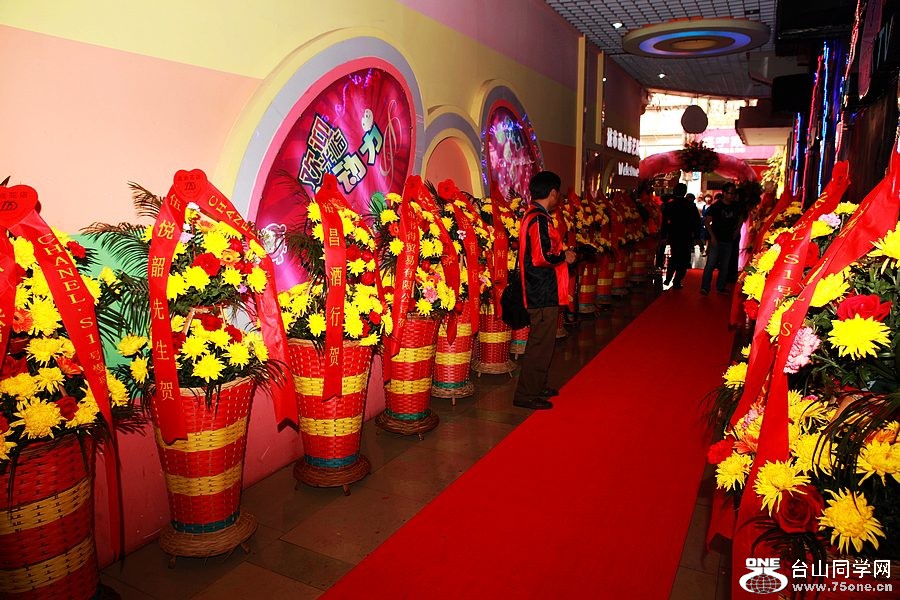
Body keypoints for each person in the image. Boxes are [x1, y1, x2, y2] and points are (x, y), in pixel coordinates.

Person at [512, 171, 576, 410]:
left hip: (542, 288)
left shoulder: (534, 215)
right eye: (558, 193)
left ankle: (538, 386)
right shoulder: (538, 218)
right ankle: (526, 394)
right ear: (552, 193)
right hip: (541, 290)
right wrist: (564, 256)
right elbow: (541, 257)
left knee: (545, 342)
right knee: (540, 343)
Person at [700, 182, 741, 295]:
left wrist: (736, 231)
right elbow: (707, 222)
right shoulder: (716, 206)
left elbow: (741, 218)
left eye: (733, 193)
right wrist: (712, 237)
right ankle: (705, 287)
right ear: (724, 193)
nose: (732, 196)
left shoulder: (736, 206)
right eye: (730, 193)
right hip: (717, 239)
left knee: (725, 265)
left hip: (728, 239)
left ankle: (721, 286)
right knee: (711, 264)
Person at [661, 183, 701, 289]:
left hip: (673, 234)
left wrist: (664, 236)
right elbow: (697, 222)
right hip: (686, 235)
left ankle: (668, 277)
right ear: (685, 192)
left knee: (674, 256)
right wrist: (697, 236)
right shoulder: (690, 205)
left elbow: (664, 223)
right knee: (684, 258)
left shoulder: (670, 205)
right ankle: (677, 280)